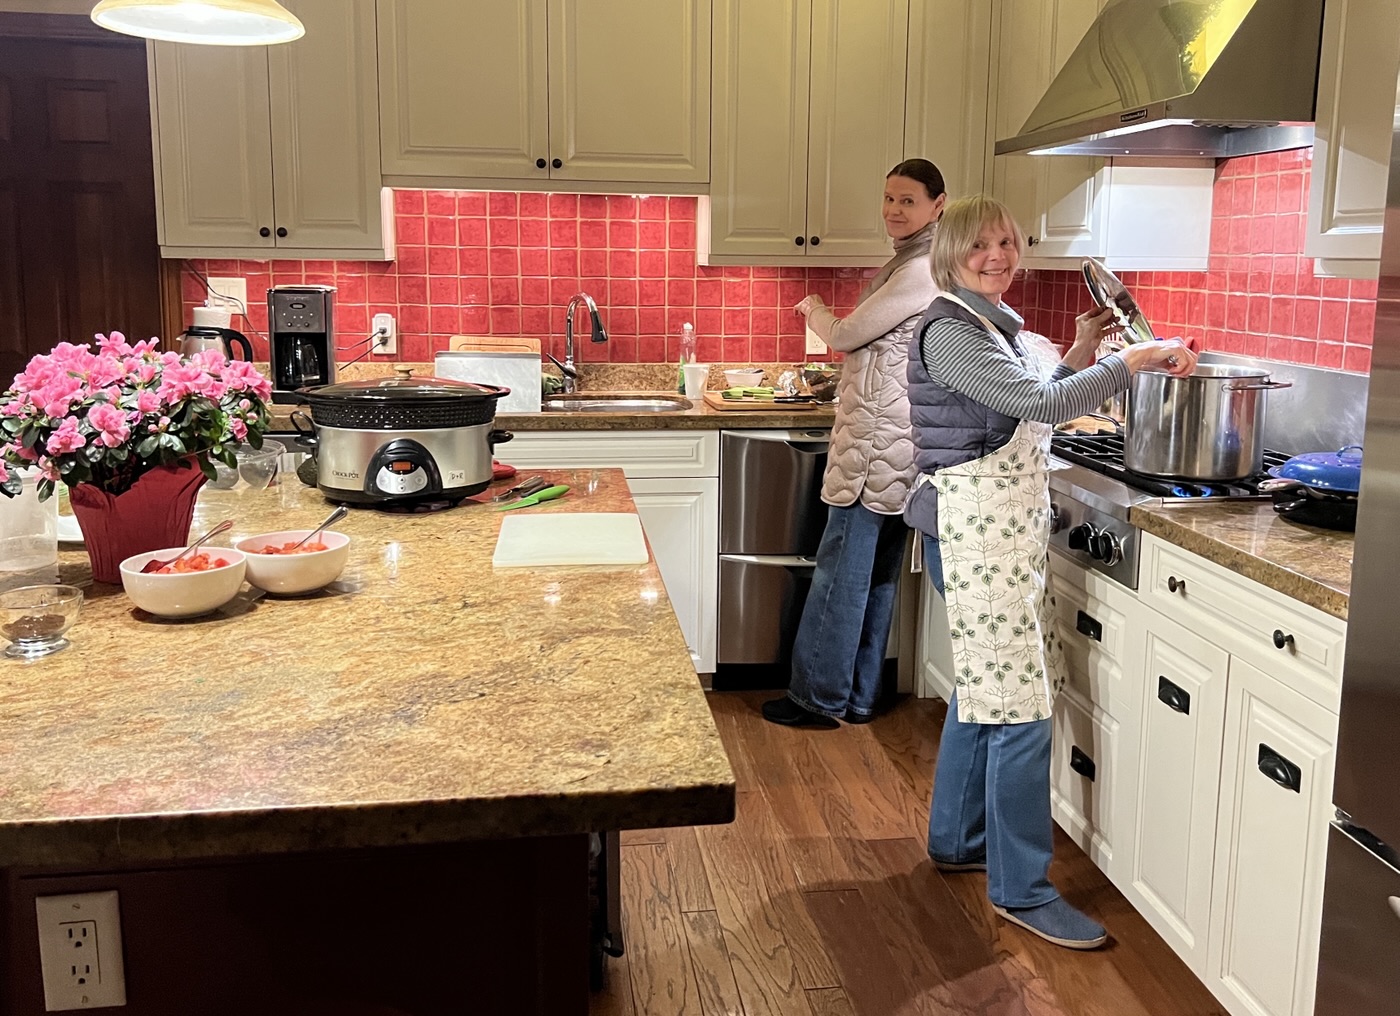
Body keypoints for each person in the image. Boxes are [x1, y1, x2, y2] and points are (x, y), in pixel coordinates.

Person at [905, 195, 1196, 949]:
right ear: (951, 255)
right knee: (1021, 709)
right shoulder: (947, 328)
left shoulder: (986, 324)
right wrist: (1125, 361)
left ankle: (958, 839)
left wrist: (1078, 351)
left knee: (984, 692)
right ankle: (1023, 890)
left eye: (1007, 242)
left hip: (992, 534)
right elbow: (1035, 401)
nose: (998, 255)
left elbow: (1022, 411)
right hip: (974, 534)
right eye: (980, 246)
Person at [761, 158, 947, 728]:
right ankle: (859, 695)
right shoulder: (920, 260)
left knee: (841, 569)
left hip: (875, 445)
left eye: (907, 200)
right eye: (888, 198)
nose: (893, 210)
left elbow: (846, 335)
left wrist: (813, 309)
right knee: (876, 572)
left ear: (938, 205)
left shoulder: (921, 269)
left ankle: (816, 698)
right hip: (897, 439)